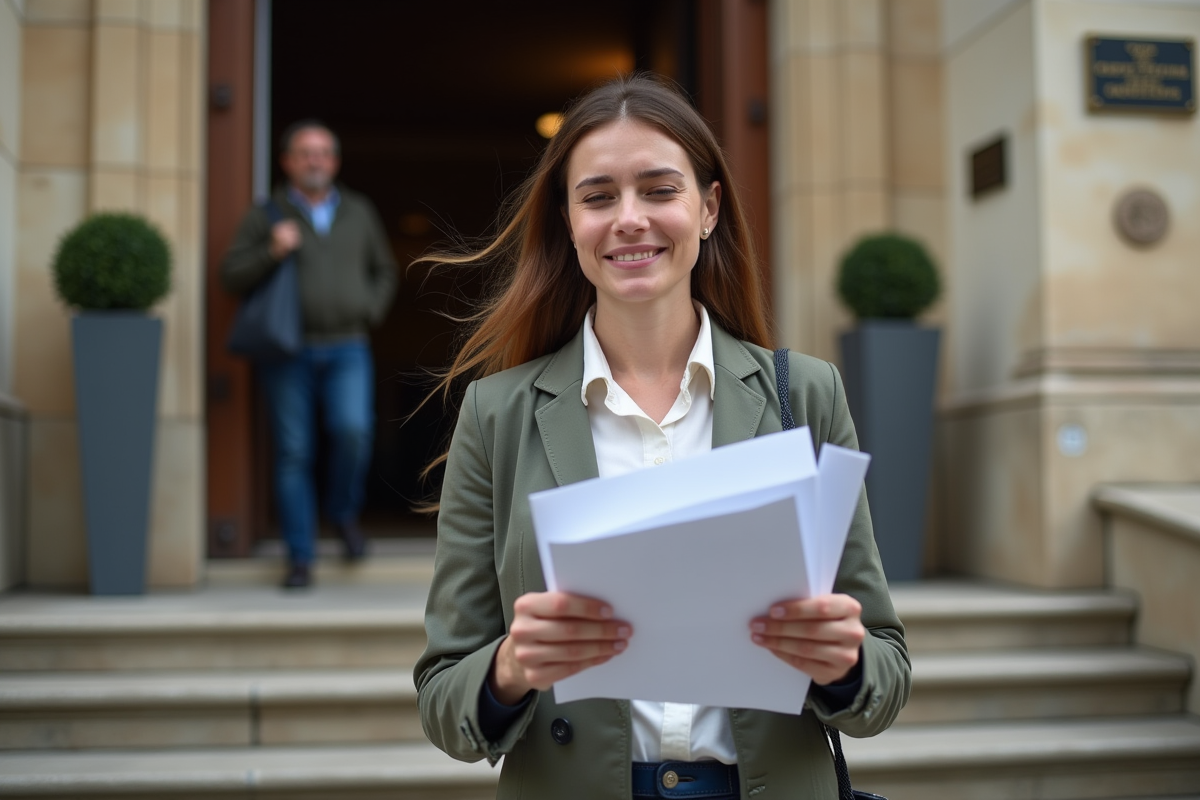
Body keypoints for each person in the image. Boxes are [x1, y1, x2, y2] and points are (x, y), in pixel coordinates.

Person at [414, 75, 909, 799]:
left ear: (707, 208)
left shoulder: (804, 393)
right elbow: (443, 699)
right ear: (568, 221)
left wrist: (845, 662)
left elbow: (887, 674)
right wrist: (512, 667)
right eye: (598, 196)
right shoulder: (497, 414)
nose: (629, 219)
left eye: (658, 189)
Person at [221, 120, 397, 589]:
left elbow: (385, 270)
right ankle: (301, 557)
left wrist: (369, 309)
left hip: (348, 347)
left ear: (335, 162)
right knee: (294, 452)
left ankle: (341, 514)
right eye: (305, 153)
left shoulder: (358, 210)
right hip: (287, 351)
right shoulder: (267, 214)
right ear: (287, 162)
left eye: (323, 153)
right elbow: (231, 275)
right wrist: (271, 252)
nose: (315, 160)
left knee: (353, 432)